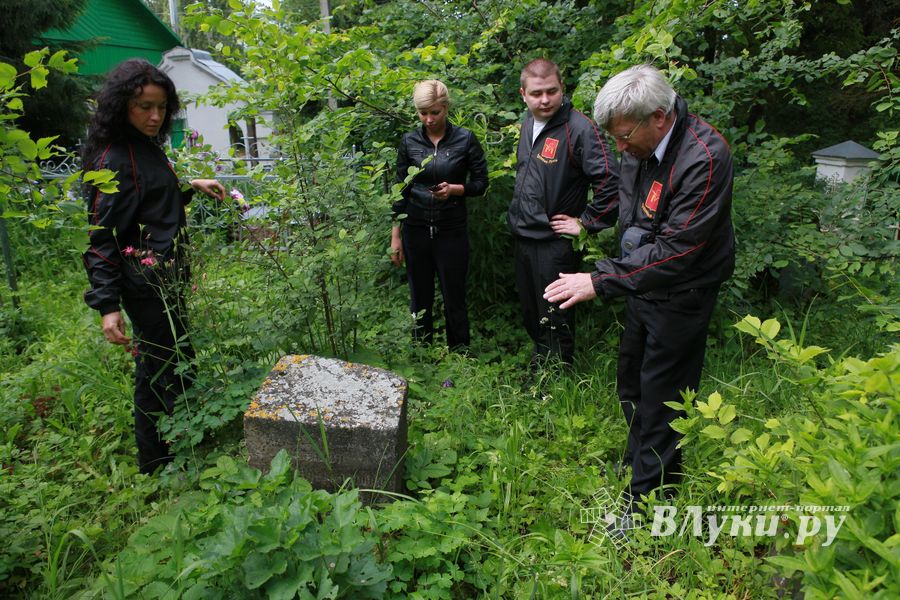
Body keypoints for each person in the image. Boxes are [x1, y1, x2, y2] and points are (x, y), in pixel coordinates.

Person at [544, 64, 735, 508]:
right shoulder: (638, 144)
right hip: (641, 282)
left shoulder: (704, 158)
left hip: (682, 291)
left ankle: (648, 501)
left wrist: (601, 278)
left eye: (625, 135)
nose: (619, 146)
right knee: (631, 379)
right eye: (615, 136)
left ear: (660, 118)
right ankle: (637, 462)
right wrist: (619, 264)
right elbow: (634, 216)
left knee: (664, 396)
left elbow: (679, 250)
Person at [82, 59, 225, 475]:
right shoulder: (113, 161)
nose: (155, 116)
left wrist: (189, 187)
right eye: (144, 106)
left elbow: (150, 205)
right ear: (121, 105)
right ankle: (157, 463)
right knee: (158, 369)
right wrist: (108, 305)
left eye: (161, 106)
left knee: (178, 360)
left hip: (165, 276)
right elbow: (102, 239)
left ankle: (188, 439)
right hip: (144, 284)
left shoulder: (144, 147)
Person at [507, 58, 620, 368]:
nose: (545, 100)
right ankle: (540, 365)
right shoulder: (530, 123)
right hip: (524, 234)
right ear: (524, 94)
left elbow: (612, 180)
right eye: (537, 93)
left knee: (553, 316)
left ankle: (554, 380)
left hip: (553, 242)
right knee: (532, 311)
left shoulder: (579, 129)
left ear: (562, 89)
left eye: (552, 92)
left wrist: (586, 223)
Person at [391, 79, 488, 349]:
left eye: (435, 112)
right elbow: (400, 190)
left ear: (446, 108)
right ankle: (422, 356)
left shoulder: (465, 139)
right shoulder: (409, 141)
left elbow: (481, 183)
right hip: (415, 229)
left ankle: (460, 355)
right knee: (419, 296)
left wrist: (456, 189)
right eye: (423, 113)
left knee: (453, 295)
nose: (429, 119)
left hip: (451, 229)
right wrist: (395, 237)